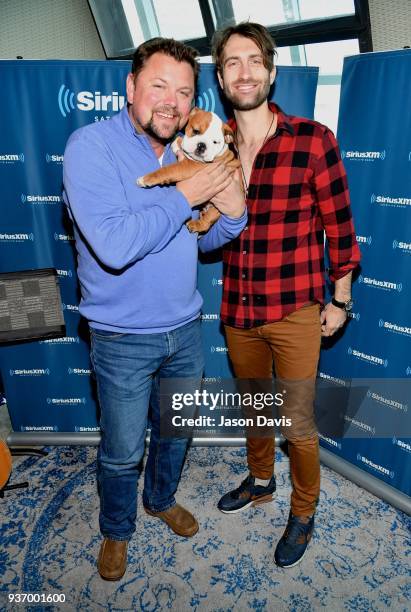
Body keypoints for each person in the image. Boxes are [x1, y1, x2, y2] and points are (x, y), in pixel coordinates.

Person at [63, 37, 246, 581]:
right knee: (121, 451)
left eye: (184, 92)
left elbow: (201, 240)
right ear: (130, 87)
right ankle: (117, 529)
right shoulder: (89, 147)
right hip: (122, 338)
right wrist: (187, 195)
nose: (170, 101)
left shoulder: (191, 149)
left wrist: (232, 210)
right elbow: (116, 245)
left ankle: (160, 500)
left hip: (186, 330)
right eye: (158, 86)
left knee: (175, 434)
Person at [212, 23, 361, 568]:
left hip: (296, 308)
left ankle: (303, 509)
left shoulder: (312, 138)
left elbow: (340, 228)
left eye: (254, 61)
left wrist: (339, 299)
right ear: (222, 77)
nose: (244, 71)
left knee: (297, 422)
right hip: (238, 309)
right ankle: (260, 481)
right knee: (256, 408)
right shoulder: (211, 143)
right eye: (232, 62)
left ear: (271, 73)